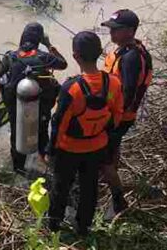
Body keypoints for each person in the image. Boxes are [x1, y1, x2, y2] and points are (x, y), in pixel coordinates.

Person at [47, 31, 124, 236]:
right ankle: (83, 228)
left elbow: (58, 124)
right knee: (89, 189)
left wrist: (51, 150)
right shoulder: (114, 83)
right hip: (97, 147)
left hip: (68, 149)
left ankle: (54, 225)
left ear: (75, 56)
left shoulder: (71, 88)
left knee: (60, 188)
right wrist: (103, 136)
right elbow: (117, 115)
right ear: (99, 53)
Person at [0, 22, 67, 175]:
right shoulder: (44, 57)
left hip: (15, 107)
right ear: (39, 39)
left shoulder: (10, 56)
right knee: (42, 135)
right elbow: (63, 64)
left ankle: (18, 170)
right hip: (41, 109)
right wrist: (49, 44)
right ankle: (45, 168)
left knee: (16, 135)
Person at [100, 9, 153, 214]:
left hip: (118, 117)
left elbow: (128, 93)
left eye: (116, 30)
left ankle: (118, 200)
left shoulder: (131, 57)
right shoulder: (127, 50)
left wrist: (112, 119)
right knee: (111, 151)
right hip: (119, 116)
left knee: (103, 158)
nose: (112, 34)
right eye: (111, 29)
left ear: (130, 31)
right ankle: (112, 170)